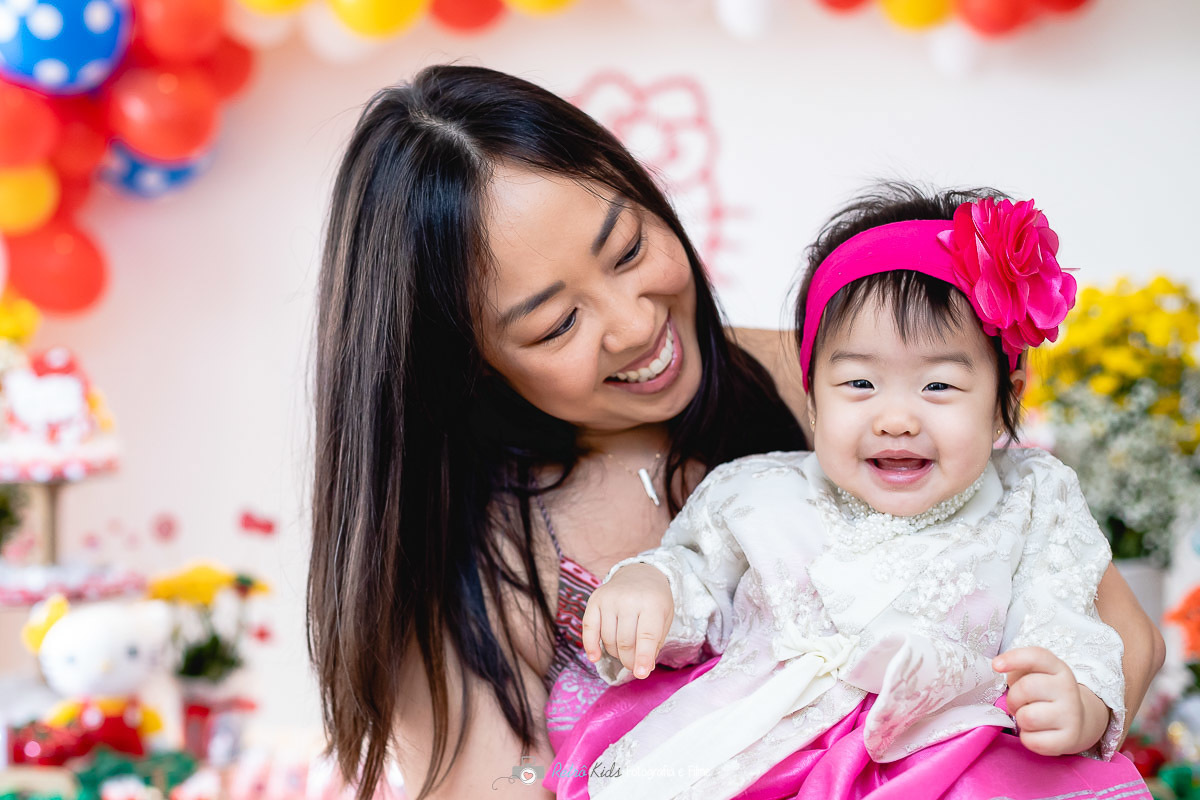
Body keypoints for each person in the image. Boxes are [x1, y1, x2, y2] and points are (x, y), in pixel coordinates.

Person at [306, 65, 1164, 800]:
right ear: (467, 363)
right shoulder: (475, 548)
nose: (633, 324)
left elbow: (1111, 625)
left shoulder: (833, 382)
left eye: (629, 248)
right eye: (556, 325)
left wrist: (1039, 730)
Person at [564, 186, 1154, 800]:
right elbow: (695, 574)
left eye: (939, 386)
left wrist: (1079, 699)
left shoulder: (1030, 498)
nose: (896, 418)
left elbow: (1068, 619)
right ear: (811, 387)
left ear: (1009, 390)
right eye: (860, 382)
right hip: (756, 748)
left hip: (944, 764)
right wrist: (650, 588)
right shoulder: (757, 487)